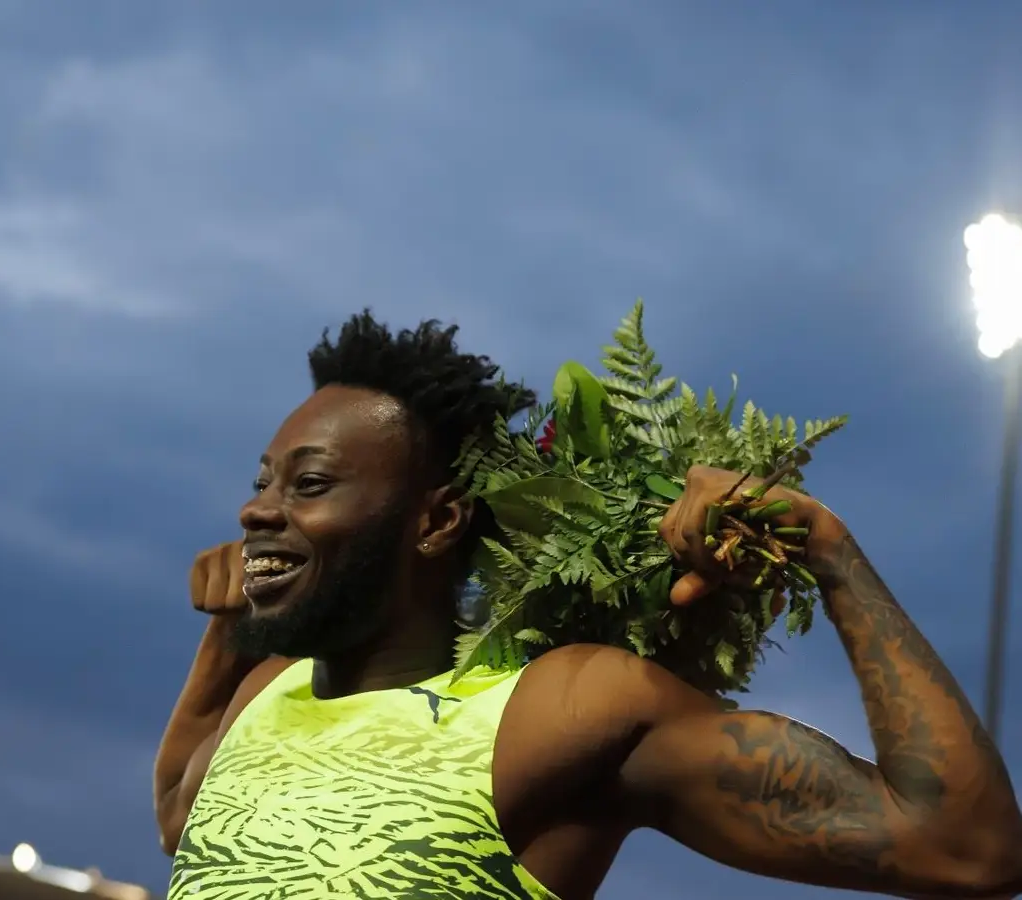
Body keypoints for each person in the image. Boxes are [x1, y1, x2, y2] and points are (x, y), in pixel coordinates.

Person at [154, 311, 1022, 899]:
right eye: (262, 482)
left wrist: (826, 552)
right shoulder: (266, 689)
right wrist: (234, 633)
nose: (255, 509)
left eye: (307, 485)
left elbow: (963, 847)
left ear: (437, 519)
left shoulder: (556, 709)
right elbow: (179, 815)